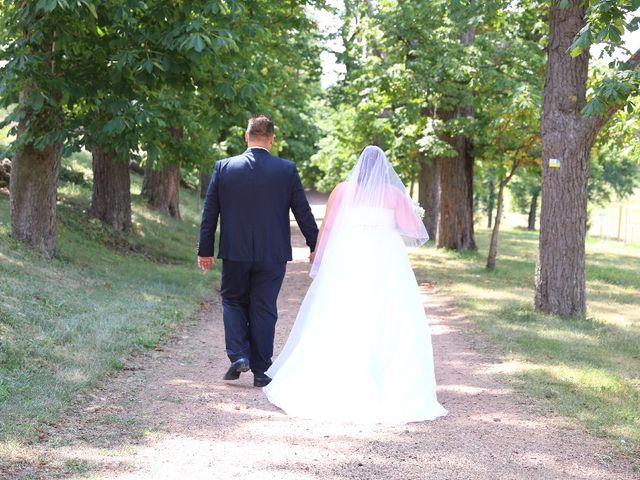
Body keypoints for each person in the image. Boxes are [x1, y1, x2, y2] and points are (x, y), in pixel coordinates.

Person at [263, 145, 447, 424]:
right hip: (386, 260)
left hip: (349, 257)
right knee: (389, 314)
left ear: (360, 166)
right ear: (383, 169)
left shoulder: (342, 191)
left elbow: (327, 227)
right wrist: (411, 213)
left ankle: (334, 375)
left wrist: (319, 257)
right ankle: (388, 376)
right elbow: (412, 229)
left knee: (342, 311)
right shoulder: (394, 194)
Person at [197, 114, 319, 388]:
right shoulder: (286, 170)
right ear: (272, 139)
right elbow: (303, 212)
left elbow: (209, 215)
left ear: (246, 136)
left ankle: (239, 355)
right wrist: (315, 245)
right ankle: (262, 371)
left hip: (235, 251)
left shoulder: (224, 167)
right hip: (272, 253)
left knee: (232, 300)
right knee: (264, 307)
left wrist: (205, 250)